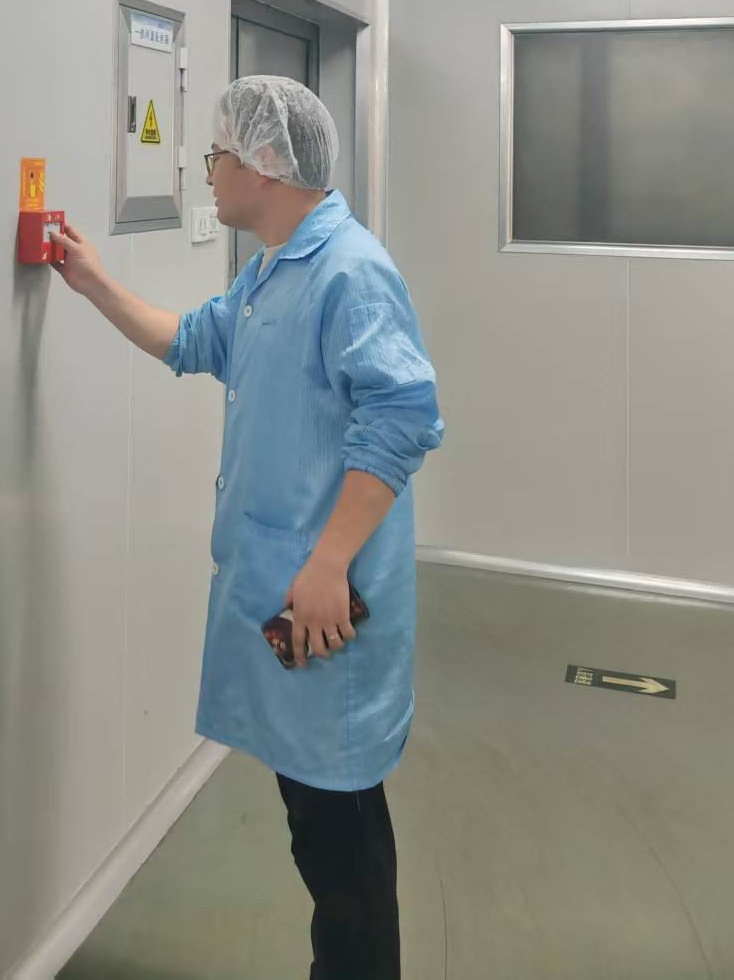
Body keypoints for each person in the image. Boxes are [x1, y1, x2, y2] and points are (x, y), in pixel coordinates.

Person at [50, 75, 443, 979]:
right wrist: (93, 282)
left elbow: (402, 419)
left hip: (324, 598)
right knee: (319, 830)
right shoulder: (272, 270)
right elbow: (196, 340)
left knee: (343, 845)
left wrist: (328, 563)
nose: (208, 172)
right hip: (288, 590)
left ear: (264, 163)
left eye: (216, 155)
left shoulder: (349, 272)